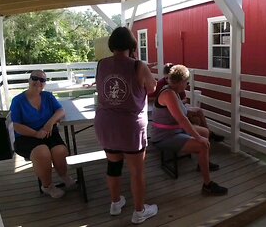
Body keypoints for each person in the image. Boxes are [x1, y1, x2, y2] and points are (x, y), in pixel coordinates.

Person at [94, 27, 158, 224]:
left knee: (113, 165)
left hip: (106, 123)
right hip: (130, 126)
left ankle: (115, 203)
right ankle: (139, 212)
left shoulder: (101, 64)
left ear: (112, 45)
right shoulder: (139, 65)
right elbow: (152, 87)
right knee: (136, 171)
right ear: (132, 45)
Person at [150, 64, 228, 195]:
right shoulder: (168, 94)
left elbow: (182, 113)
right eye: (186, 82)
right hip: (165, 135)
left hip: (174, 130)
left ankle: (202, 163)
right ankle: (207, 185)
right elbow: (182, 119)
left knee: (205, 132)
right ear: (180, 82)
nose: (186, 85)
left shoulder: (172, 91)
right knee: (202, 144)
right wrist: (198, 138)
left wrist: (198, 128)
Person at [10, 70, 74, 198]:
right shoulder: (18, 101)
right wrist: (35, 134)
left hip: (48, 133)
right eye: (35, 78)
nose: (38, 82)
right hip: (26, 137)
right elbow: (16, 126)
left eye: (42, 80)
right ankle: (47, 186)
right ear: (29, 80)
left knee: (60, 151)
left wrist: (50, 123)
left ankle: (63, 176)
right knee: (42, 153)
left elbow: (61, 111)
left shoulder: (48, 96)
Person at [148, 63, 224, 143]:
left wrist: (177, 102)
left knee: (198, 111)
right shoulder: (165, 89)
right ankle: (203, 138)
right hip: (167, 123)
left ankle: (208, 136)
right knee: (197, 122)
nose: (168, 80)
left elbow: (185, 99)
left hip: (178, 110)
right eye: (186, 83)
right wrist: (165, 101)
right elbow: (181, 118)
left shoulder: (175, 89)